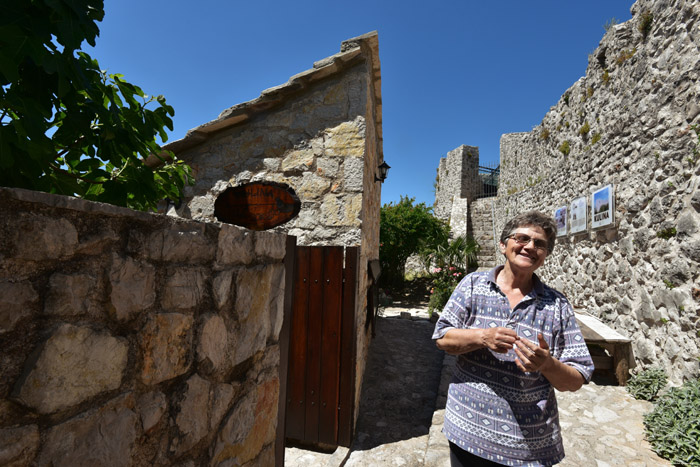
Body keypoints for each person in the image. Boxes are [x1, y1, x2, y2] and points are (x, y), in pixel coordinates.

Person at [433, 211, 594, 467]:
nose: (530, 246)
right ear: (503, 245)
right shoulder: (472, 285)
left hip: (528, 446)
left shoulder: (557, 305)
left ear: (545, 255)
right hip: (467, 431)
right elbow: (442, 338)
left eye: (540, 244)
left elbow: (576, 379)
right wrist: (482, 336)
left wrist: (547, 364)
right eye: (522, 238)